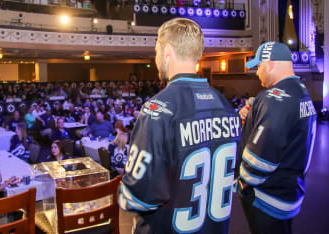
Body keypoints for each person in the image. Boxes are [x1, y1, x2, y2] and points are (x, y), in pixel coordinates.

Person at [118, 18, 240, 233]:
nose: (156, 60)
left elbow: (138, 196)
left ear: (166, 52)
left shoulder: (158, 109)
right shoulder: (227, 107)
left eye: (156, 52)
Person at [237, 41, 317, 234]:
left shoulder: (273, 98)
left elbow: (258, 163)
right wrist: (255, 115)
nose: (257, 73)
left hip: (266, 198)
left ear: (270, 64)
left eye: (259, 66)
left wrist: (243, 183)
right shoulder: (301, 92)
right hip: (289, 193)